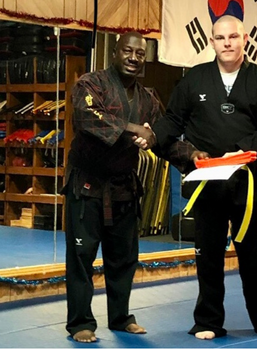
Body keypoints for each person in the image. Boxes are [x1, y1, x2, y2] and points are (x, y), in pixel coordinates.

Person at [149, 15, 257, 340]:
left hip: (248, 180)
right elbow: (173, 119)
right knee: (208, 255)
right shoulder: (195, 80)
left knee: (256, 255)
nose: (227, 43)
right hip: (208, 181)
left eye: (233, 37)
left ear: (244, 40)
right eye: (220, 37)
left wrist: (242, 151)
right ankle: (208, 321)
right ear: (211, 42)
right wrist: (151, 136)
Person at [62, 31, 159, 343]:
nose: (133, 58)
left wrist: (192, 154)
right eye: (127, 51)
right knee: (81, 257)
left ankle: (120, 317)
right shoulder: (90, 85)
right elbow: (89, 118)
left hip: (123, 189)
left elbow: (165, 137)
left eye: (140, 54)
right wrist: (136, 129)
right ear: (115, 53)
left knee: (124, 258)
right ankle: (80, 323)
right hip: (87, 186)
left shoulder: (148, 99)